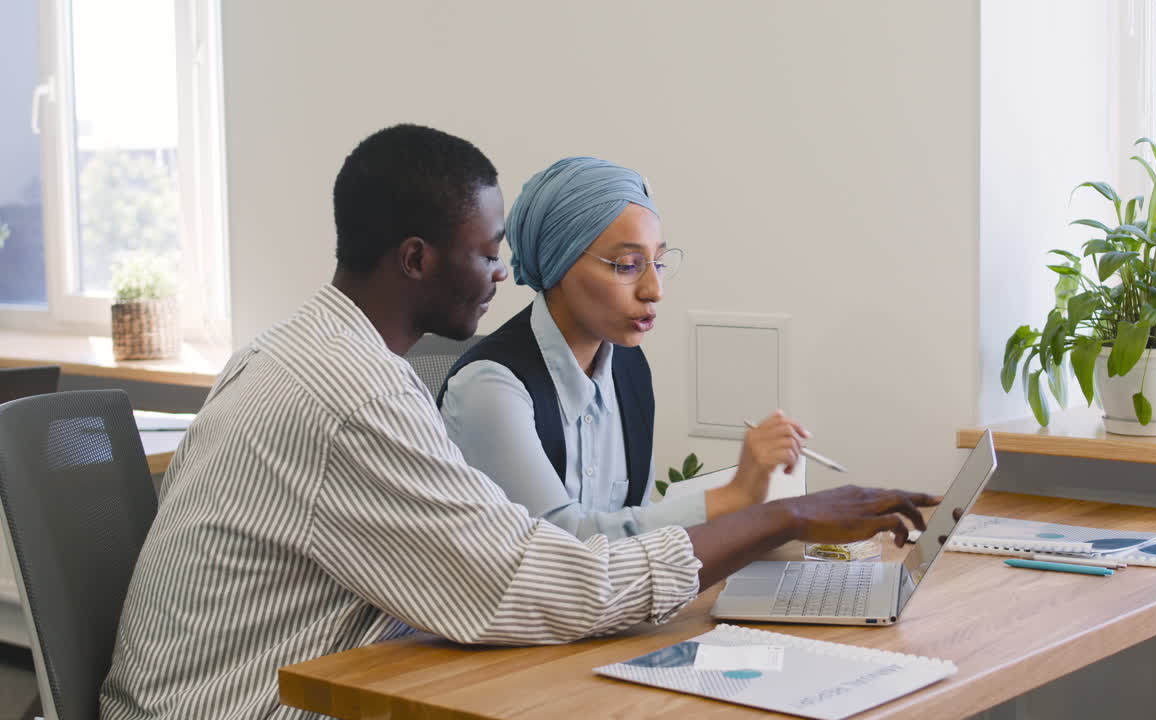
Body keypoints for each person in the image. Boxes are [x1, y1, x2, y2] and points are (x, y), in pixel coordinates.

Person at [99, 124, 940, 720]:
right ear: (417, 258)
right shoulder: (355, 398)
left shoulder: (301, 349)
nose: (504, 273)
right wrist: (780, 516)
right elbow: (542, 577)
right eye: (487, 251)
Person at [440, 156, 802, 540]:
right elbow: (561, 543)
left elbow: (634, 523)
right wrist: (734, 496)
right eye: (627, 265)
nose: (655, 290)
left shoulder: (629, 367)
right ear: (558, 263)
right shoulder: (489, 388)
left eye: (658, 263)